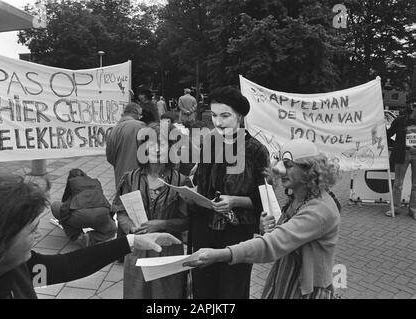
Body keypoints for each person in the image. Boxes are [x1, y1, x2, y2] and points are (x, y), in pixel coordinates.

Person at [0, 173, 181, 299]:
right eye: (31, 230)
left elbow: (68, 266)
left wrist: (132, 241)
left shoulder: (20, 267)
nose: (38, 234)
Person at [185, 139, 341, 299]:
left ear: (309, 169)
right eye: (280, 162)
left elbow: (273, 244)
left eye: (288, 165)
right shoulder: (299, 198)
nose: (279, 169)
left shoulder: (320, 210)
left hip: (307, 290)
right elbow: (282, 237)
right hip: (285, 279)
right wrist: (266, 228)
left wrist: (221, 254)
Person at [188, 86, 270, 299]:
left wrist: (234, 200)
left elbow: (264, 199)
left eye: (225, 115)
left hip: (237, 233)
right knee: (203, 290)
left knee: (232, 291)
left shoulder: (256, 151)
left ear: (240, 116)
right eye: (214, 115)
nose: (218, 122)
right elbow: (201, 185)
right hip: (204, 229)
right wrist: (190, 191)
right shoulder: (209, 142)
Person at [114, 122, 189, 299]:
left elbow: (187, 220)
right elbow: (121, 212)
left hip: (167, 251)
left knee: (165, 297)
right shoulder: (130, 178)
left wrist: (161, 224)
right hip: (137, 250)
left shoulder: (181, 182)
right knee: (136, 293)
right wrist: (132, 229)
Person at [106, 102, 146, 254]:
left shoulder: (114, 129)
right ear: (136, 113)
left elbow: (110, 158)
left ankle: (120, 251)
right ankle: (131, 249)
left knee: (123, 210)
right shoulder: (139, 126)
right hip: (136, 173)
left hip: (120, 174)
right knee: (135, 212)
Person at [50, 168, 117, 246]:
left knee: (57, 206)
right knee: (111, 230)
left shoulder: (72, 182)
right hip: (102, 215)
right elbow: (105, 203)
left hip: (81, 216)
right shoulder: (96, 182)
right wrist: (109, 220)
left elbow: (65, 201)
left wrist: (64, 220)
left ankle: (79, 237)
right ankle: (91, 237)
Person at [386, 97, 416, 219]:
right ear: (412, 107)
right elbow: (388, 134)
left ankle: (413, 210)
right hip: (403, 153)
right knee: (398, 183)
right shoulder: (400, 121)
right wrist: (395, 147)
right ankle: (395, 208)